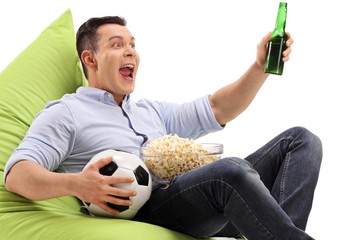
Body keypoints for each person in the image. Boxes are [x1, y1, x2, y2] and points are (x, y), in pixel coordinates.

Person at [4, 15, 322, 240]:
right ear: (90, 59)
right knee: (231, 171)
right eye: (117, 45)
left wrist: (260, 66)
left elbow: (218, 107)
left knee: (300, 140)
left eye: (132, 44)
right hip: (145, 209)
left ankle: (276, 232)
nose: (130, 51)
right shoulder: (67, 112)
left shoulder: (150, 110)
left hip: (192, 199)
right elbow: (16, 174)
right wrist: (78, 185)